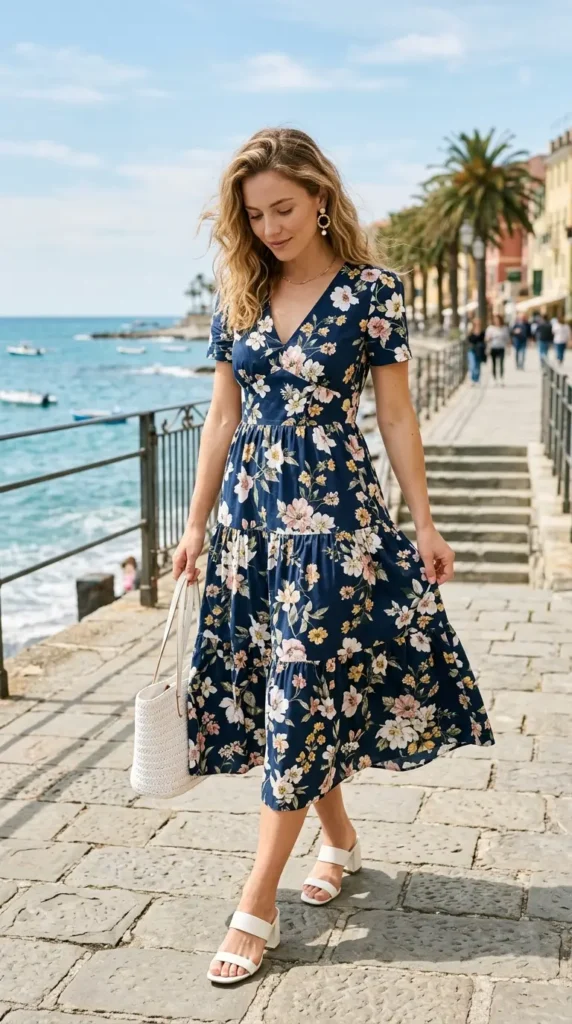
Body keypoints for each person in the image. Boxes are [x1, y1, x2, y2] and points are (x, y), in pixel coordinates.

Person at [171, 127, 495, 985]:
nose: (271, 226)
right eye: (255, 213)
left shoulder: (370, 294)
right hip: (249, 533)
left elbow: (395, 418)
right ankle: (342, 840)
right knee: (288, 697)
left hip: (333, 531)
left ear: (320, 197)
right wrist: (196, 524)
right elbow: (220, 420)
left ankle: (255, 899)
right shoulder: (240, 291)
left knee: (299, 690)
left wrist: (424, 522)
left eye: (284, 208)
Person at [484, 314, 510, 384]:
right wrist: (489, 338)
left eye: (498, 320)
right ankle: (494, 378)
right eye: (495, 320)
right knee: (494, 364)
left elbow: (507, 338)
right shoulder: (490, 328)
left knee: (501, 363)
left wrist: (508, 347)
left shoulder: (504, 328)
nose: (497, 322)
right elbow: (486, 339)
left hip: (501, 347)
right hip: (493, 348)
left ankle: (501, 378)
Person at [466, 317, 486, 384]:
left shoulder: (482, 332)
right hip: (471, 350)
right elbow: (468, 340)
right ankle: (473, 379)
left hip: (479, 351)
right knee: (472, 365)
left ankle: (477, 379)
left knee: (478, 365)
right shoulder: (471, 331)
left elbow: (484, 341)